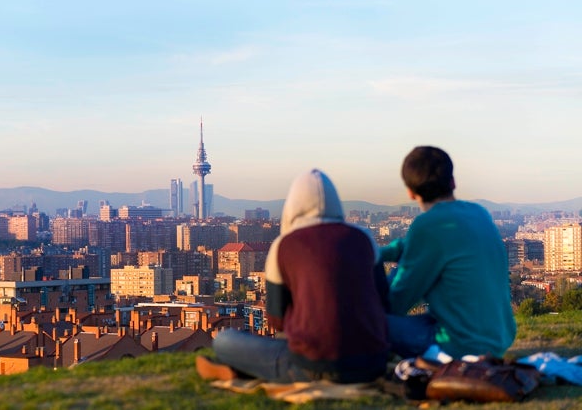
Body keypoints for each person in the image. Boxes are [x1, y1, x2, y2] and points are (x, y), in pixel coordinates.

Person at [197, 168, 389, 383]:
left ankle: (247, 369)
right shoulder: (365, 238)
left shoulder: (283, 245)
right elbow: (384, 303)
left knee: (224, 340)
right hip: (373, 361)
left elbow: (277, 321)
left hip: (311, 365)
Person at [382, 146, 516, 360]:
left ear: (410, 192)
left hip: (461, 345)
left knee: (366, 324)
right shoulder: (478, 212)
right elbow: (419, 245)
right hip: (499, 337)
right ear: (453, 182)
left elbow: (398, 302)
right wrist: (382, 253)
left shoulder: (427, 225)